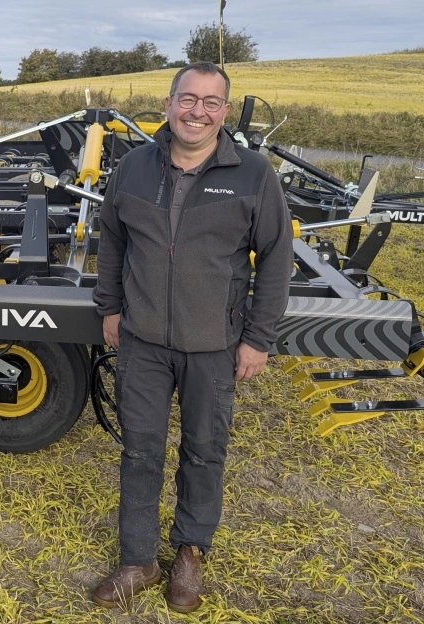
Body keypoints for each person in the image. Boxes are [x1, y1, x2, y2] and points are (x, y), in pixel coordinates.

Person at [90, 61, 292, 612]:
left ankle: (190, 553)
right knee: (140, 451)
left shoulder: (252, 174)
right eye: (188, 99)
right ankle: (138, 560)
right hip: (143, 341)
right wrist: (109, 308)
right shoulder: (133, 168)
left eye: (210, 102)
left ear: (224, 112)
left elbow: (276, 260)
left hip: (214, 344)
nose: (196, 111)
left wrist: (258, 338)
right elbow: (111, 243)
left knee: (204, 452)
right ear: (168, 103)